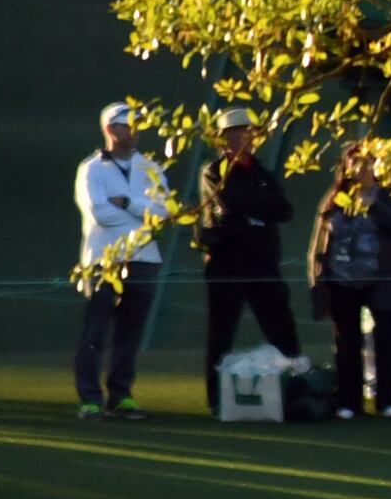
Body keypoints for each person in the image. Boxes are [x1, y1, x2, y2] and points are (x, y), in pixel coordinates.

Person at [191, 109, 300, 408]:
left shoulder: (262, 173)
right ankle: (216, 399)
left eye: (247, 133)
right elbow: (229, 205)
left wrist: (252, 214)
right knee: (221, 333)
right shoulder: (212, 171)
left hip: (263, 263)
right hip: (227, 265)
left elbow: (283, 209)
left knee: (282, 326)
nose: (243, 139)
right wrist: (256, 214)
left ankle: (294, 390)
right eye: (235, 134)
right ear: (223, 140)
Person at [70, 101, 170, 420]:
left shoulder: (151, 168)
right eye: (130, 124)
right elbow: (98, 212)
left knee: (130, 332)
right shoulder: (91, 168)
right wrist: (142, 213)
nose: (136, 130)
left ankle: (121, 395)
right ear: (111, 129)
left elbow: (164, 212)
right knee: (95, 332)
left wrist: (127, 202)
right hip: (102, 261)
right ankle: (89, 398)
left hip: (143, 258)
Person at [305, 143, 391, 417]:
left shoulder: (388, 196)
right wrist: (318, 281)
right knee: (347, 341)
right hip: (342, 282)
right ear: (346, 166)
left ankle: (388, 400)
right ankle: (348, 401)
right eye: (356, 163)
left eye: (368, 164)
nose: (362, 169)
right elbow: (318, 245)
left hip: (382, 281)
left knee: (387, 339)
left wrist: (374, 206)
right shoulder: (334, 199)